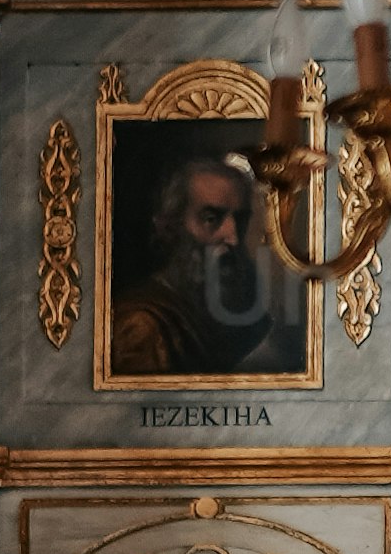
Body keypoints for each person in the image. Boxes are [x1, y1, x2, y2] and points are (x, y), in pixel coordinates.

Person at [109, 140, 299, 378]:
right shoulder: (142, 326)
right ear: (170, 227)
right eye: (211, 218)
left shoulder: (226, 310)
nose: (232, 238)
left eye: (239, 220)